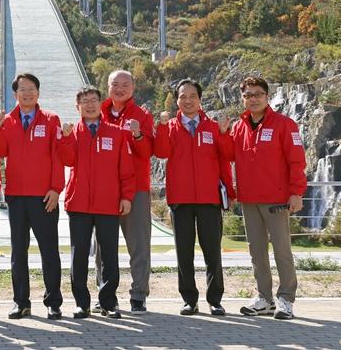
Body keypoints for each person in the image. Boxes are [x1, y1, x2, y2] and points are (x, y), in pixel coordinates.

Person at [223, 77, 307, 320]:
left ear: (267, 96)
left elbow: (297, 161)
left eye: (258, 94)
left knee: (282, 251)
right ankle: (264, 299)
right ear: (243, 98)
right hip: (249, 199)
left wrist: (296, 193)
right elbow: (228, 155)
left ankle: (286, 299)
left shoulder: (285, 124)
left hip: (277, 199)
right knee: (256, 253)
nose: (253, 98)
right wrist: (222, 133)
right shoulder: (238, 127)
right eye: (248, 95)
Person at [153, 79, 236, 316]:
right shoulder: (169, 126)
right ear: (176, 100)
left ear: (200, 100)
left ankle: (215, 299)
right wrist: (159, 126)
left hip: (209, 198)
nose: (187, 100)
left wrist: (222, 133)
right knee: (184, 252)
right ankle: (189, 299)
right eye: (182, 96)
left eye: (192, 96)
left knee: (212, 251)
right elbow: (160, 152)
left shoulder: (212, 127)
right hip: (181, 199)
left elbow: (228, 155)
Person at [0, 72, 64, 320]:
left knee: (49, 251)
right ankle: (21, 302)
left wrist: (56, 188)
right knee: (18, 252)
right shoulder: (8, 121)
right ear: (15, 94)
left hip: (45, 197)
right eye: (22, 89)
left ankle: (53, 302)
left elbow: (58, 156)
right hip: (16, 197)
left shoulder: (51, 120)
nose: (27, 93)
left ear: (38, 92)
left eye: (31, 88)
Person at [58, 86, 135, 319]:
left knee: (109, 255)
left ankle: (108, 302)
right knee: (78, 255)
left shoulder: (117, 133)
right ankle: (82, 303)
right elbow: (67, 159)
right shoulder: (73, 132)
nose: (89, 105)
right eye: (84, 101)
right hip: (79, 203)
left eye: (93, 100)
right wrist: (66, 138)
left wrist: (126, 197)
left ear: (101, 103)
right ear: (77, 106)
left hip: (108, 203)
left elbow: (127, 170)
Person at [97, 70, 154, 314]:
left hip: (137, 189)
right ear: (108, 86)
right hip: (105, 188)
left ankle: (138, 294)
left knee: (139, 245)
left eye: (125, 84)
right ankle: (105, 294)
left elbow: (148, 151)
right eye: (115, 84)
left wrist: (138, 134)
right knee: (103, 247)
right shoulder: (97, 112)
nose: (120, 89)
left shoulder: (141, 115)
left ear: (133, 87)